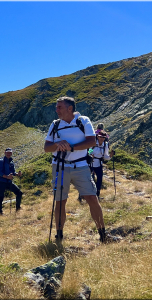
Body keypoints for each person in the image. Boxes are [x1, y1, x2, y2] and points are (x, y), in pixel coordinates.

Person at [44, 96, 118, 243]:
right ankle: (59, 236)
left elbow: (91, 141)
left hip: (81, 166)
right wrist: (59, 145)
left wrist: (71, 147)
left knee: (91, 197)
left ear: (69, 108)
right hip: (60, 166)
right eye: (56, 107)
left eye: (59, 107)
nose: (56, 110)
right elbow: (47, 148)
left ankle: (103, 234)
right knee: (60, 201)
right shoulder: (55, 124)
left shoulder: (83, 121)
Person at [0, 148, 23, 215]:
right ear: (5, 153)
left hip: (8, 182)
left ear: (12, 153)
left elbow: (12, 172)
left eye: (10, 152)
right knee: (1, 197)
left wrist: (17, 174)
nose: (9, 154)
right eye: (7, 152)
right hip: (1, 182)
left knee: (19, 193)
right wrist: (7, 177)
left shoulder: (11, 162)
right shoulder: (0, 161)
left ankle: (18, 208)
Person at [91, 130, 114, 198]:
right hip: (91, 163)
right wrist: (90, 155)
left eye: (103, 137)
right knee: (88, 180)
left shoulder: (105, 145)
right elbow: (89, 150)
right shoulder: (93, 143)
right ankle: (82, 196)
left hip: (98, 164)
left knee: (99, 180)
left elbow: (105, 156)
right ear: (97, 136)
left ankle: (97, 195)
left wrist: (110, 156)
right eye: (100, 137)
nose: (101, 139)